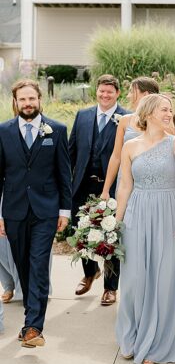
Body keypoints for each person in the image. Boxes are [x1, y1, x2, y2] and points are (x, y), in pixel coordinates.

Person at [114, 94, 175, 364]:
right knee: (135, 278)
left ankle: (158, 343)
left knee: (163, 278)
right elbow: (124, 186)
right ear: (148, 113)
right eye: (164, 110)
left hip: (168, 211)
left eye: (171, 110)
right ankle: (132, 336)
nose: (169, 114)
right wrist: (115, 223)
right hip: (137, 212)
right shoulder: (130, 146)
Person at [0, 79, 72, 348]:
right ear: (15, 102)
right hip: (15, 210)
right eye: (23, 100)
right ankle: (30, 321)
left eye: (32, 99)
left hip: (46, 210)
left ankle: (34, 327)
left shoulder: (56, 130)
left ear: (40, 99)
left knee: (39, 266)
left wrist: (64, 210)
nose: (28, 104)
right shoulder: (3, 131)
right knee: (24, 267)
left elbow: (64, 173)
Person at [98, 76, 161, 305]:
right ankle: (113, 287)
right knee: (119, 233)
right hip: (126, 185)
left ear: (145, 94)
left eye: (132, 92)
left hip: (150, 185)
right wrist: (106, 189)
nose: (129, 96)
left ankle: (147, 289)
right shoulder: (125, 120)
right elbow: (116, 156)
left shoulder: (164, 119)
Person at [69, 74, 128, 302]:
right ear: (97, 91)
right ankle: (89, 271)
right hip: (83, 184)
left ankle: (110, 287)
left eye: (109, 92)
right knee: (81, 230)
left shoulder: (127, 118)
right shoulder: (83, 116)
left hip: (112, 187)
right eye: (101, 91)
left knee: (111, 235)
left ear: (117, 94)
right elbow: (72, 152)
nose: (104, 95)